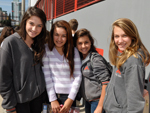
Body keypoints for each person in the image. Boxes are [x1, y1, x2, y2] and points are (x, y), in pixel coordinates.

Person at [0, 7, 48, 113]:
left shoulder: (40, 43)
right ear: (24, 21)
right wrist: (10, 106)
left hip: (38, 99)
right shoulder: (10, 43)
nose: (34, 29)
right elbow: (4, 78)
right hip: (20, 102)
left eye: (39, 25)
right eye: (31, 23)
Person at [103, 18, 150, 113]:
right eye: (116, 36)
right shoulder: (122, 54)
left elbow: (135, 103)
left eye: (124, 35)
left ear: (133, 36)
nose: (120, 41)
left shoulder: (133, 60)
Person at [42, 20, 82, 113]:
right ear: (52, 34)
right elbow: (47, 76)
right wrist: (52, 99)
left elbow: (78, 76)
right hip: (52, 97)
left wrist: (70, 99)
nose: (59, 39)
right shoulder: (46, 50)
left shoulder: (74, 51)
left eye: (63, 36)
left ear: (68, 37)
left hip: (69, 98)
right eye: (56, 34)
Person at [74, 28, 111, 113]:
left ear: (91, 42)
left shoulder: (95, 59)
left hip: (97, 101)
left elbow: (106, 82)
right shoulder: (80, 59)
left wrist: (100, 107)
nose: (83, 46)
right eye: (80, 43)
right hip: (88, 101)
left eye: (86, 42)